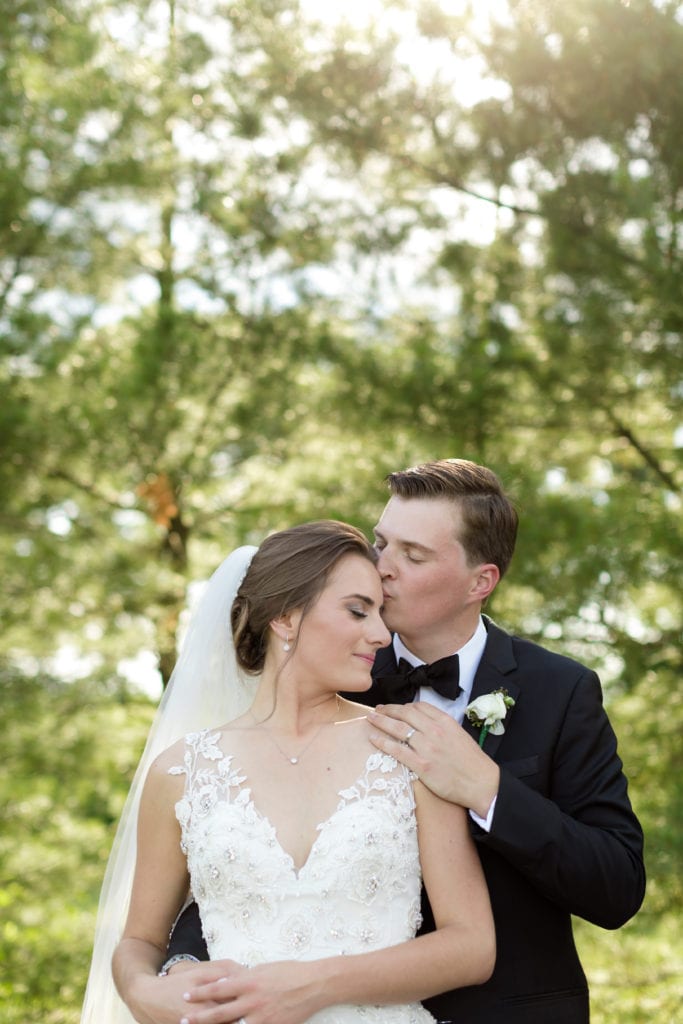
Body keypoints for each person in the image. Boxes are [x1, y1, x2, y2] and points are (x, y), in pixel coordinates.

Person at [157, 459, 645, 1024]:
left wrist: (487, 790)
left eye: (412, 556)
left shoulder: (560, 691)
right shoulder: (330, 669)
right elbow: (247, 852)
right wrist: (184, 960)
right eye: (382, 543)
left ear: (480, 581)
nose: (381, 568)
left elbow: (617, 886)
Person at [82, 519, 495, 1024]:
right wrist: (145, 994)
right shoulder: (181, 771)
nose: (381, 634)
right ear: (285, 618)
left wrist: (311, 986)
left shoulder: (409, 746)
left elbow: (472, 946)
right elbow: (140, 941)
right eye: (357, 611)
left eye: (379, 614)